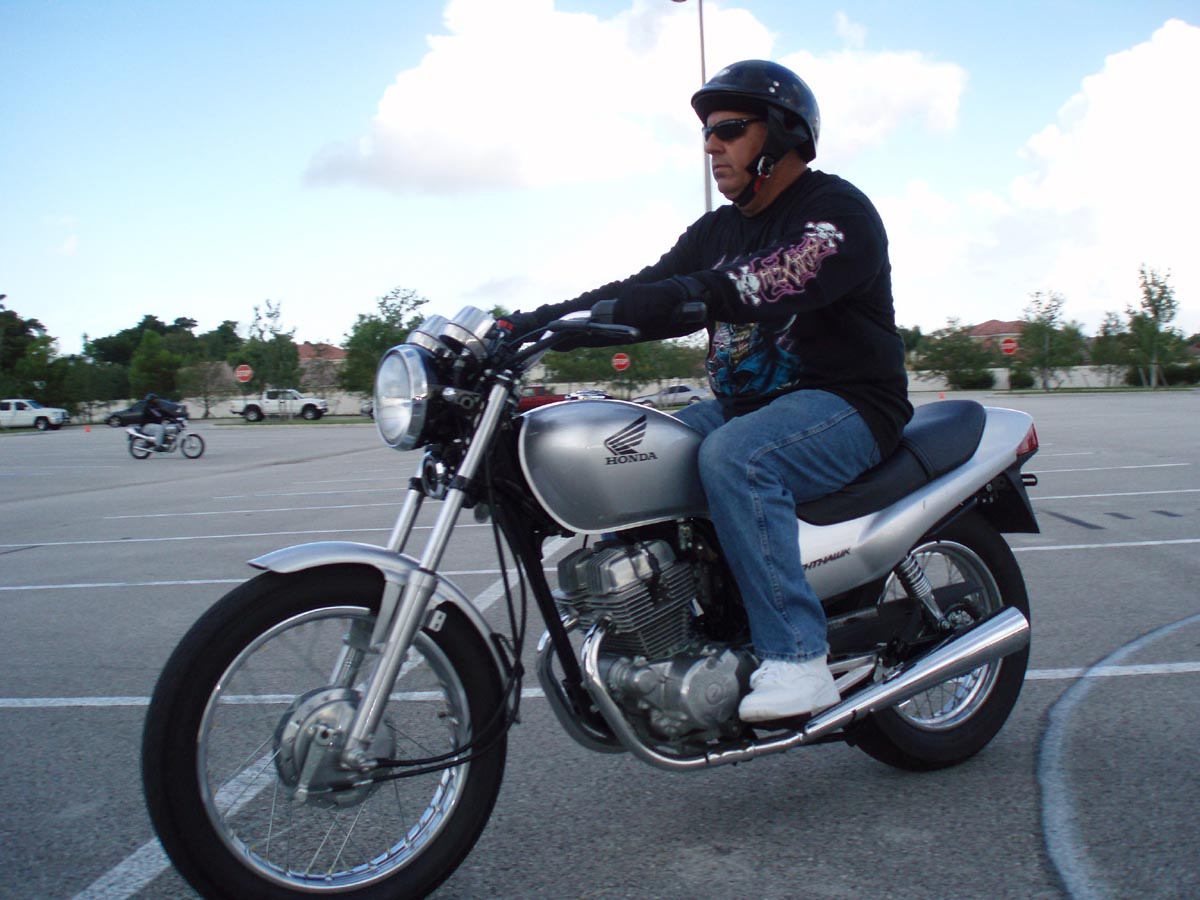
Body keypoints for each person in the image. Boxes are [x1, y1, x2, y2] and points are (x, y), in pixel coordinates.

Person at [503, 60, 912, 722]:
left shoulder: (837, 212)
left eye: (730, 130)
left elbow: (779, 276)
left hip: (848, 403)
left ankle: (798, 659)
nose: (712, 146)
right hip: (746, 405)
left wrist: (688, 292)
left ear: (782, 133)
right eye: (707, 134)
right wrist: (528, 327)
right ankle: (682, 628)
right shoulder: (717, 232)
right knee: (630, 446)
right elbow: (641, 290)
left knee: (738, 458)